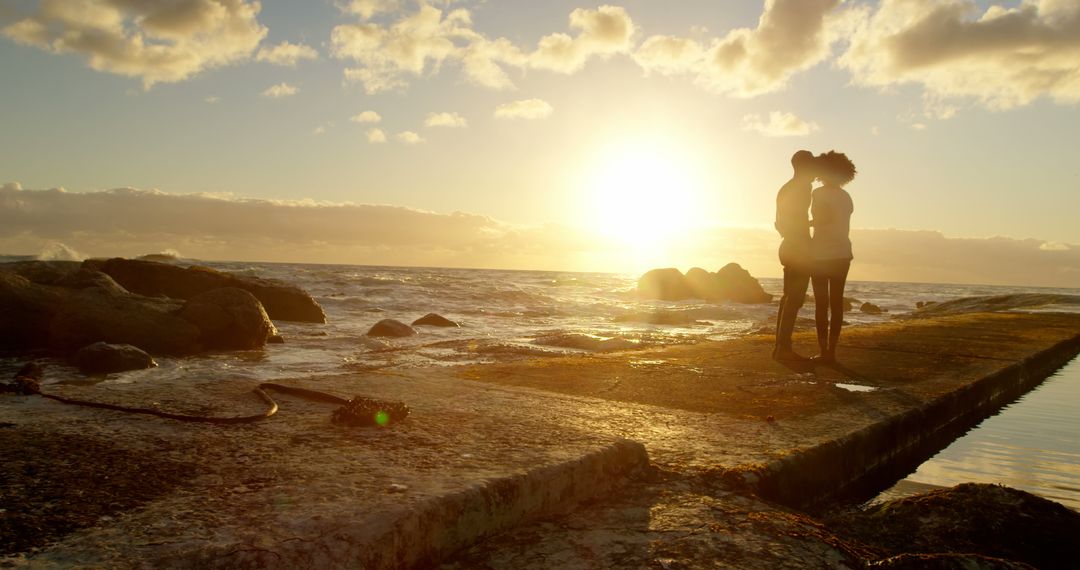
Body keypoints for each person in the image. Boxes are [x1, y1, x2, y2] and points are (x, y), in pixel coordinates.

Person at [809, 151, 856, 364]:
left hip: (820, 254)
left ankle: (823, 352)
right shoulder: (846, 197)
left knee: (821, 303)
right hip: (842, 254)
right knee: (836, 303)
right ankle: (832, 352)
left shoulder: (819, 193)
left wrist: (798, 225)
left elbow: (822, 219)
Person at [773, 150, 817, 361]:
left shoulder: (784, 188)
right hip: (798, 247)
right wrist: (817, 223)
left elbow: (779, 223)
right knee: (795, 298)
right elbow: (796, 219)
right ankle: (783, 348)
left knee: (789, 297)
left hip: (786, 246)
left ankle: (781, 345)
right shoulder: (804, 187)